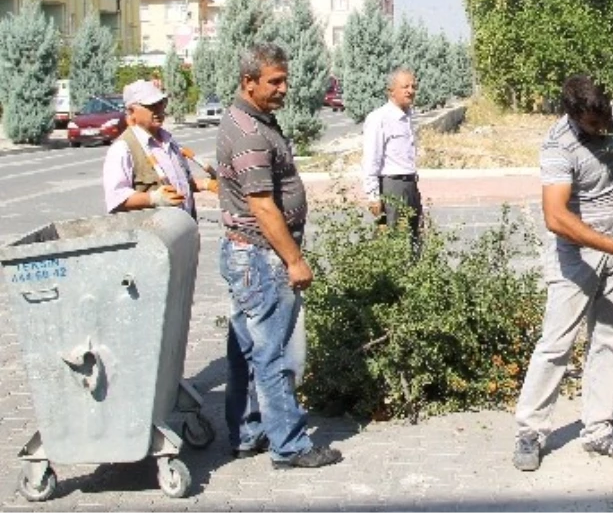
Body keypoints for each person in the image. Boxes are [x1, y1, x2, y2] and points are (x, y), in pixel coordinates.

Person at [512, 74, 613, 471]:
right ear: (574, 116)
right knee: (556, 343)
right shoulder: (559, 145)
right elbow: (556, 217)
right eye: (594, 124)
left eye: (606, 119)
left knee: (608, 341)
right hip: (575, 259)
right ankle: (530, 432)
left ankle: (598, 430)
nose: (604, 128)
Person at [216, 43, 342, 470]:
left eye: (284, 79)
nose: (284, 88)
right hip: (261, 257)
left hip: (245, 253)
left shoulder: (249, 119)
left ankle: (247, 433)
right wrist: (293, 260)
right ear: (248, 82)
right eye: (274, 81)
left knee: (247, 349)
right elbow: (263, 206)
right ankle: (290, 446)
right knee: (275, 352)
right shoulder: (250, 133)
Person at [103, 79, 218, 218]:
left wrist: (205, 184)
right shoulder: (123, 148)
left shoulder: (170, 142)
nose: (159, 110)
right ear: (132, 111)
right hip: (153, 235)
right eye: (151, 106)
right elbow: (116, 199)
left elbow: (179, 186)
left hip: (184, 229)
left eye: (161, 104)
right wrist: (153, 199)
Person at [361, 68, 422, 247]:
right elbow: (371, 159)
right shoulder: (380, 118)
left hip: (410, 184)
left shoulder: (409, 116)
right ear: (391, 91)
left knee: (412, 238)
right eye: (405, 87)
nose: (410, 91)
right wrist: (373, 195)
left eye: (413, 86)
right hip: (392, 186)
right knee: (390, 241)